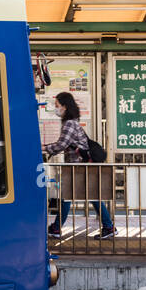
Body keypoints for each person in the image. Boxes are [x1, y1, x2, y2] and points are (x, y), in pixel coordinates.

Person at [41, 91, 116, 239]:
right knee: (91, 196)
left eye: (57, 106)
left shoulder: (69, 123)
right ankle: (108, 226)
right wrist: (48, 147)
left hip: (78, 166)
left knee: (66, 196)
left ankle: (56, 228)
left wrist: (43, 148)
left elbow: (62, 144)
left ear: (65, 107)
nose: (56, 109)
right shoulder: (72, 122)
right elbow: (65, 144)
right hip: (81, 165)